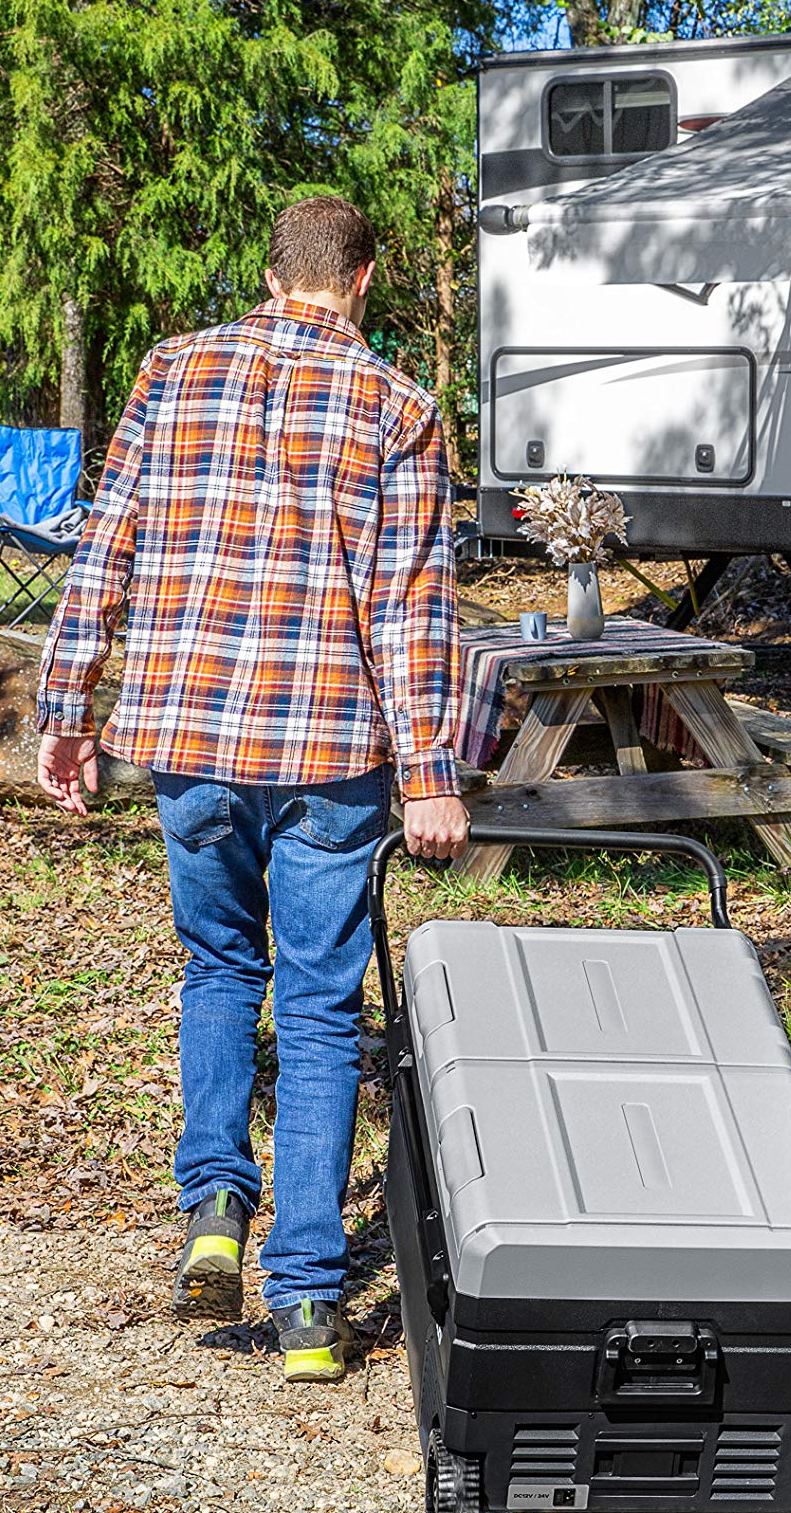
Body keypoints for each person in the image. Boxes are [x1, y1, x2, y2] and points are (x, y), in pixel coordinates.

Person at [34, 194, 468, 1384]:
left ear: (274, 276)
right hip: (331, 752)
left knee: (220, 968)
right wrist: (430, 773)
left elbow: (104, 547)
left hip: (189, 741)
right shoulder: (402, 407)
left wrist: (68, 713)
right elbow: (409, 609)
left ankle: (215, 1208)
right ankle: (312, 1307)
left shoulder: (172, 370)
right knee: (325, 1014)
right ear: (364, 280)